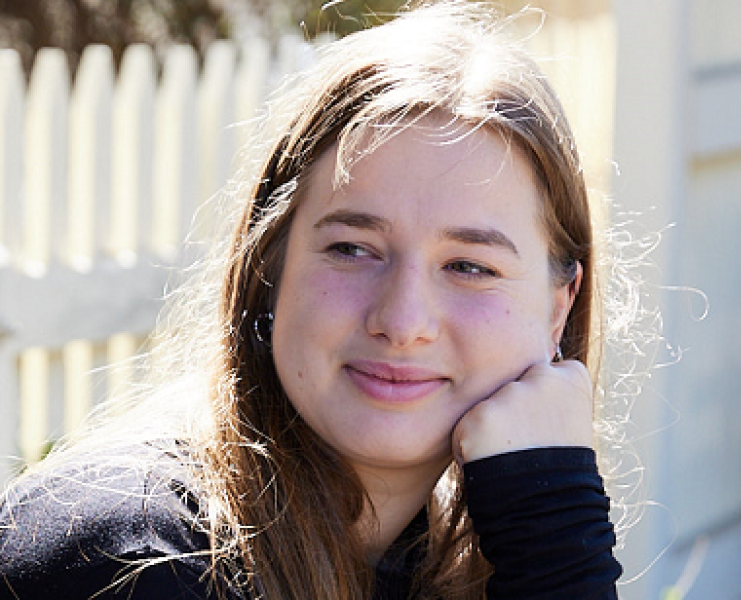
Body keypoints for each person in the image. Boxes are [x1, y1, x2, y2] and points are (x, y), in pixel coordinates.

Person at [0, 2, 623, 598]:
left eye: (468, 266)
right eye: (353, 249)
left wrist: (548, 531)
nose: (403, 322)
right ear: (270, 262)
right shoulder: (130, 559)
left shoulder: (447, 558)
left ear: (558, 305)